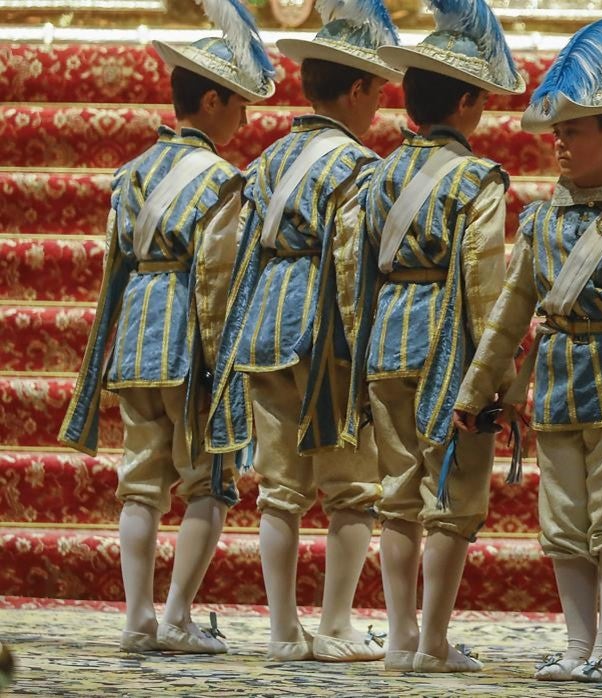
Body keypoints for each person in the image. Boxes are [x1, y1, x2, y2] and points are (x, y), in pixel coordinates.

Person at [453, 17, 602, 684]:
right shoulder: (541, 222)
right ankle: (578, 645)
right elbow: (509, 313)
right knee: (562, 525)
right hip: (556, 387)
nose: (559, 141)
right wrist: (478, 391)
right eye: (558, 130)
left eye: (574, 131)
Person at [58, 0, 275, 655]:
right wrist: (222, 364)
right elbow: (214, 279)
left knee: (140, 483)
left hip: (133, 341)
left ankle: (136, 619)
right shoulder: (221, 180)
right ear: (211, 102)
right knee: (209, 479)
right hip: (187, 341)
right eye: (238, 103)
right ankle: (178, 617)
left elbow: (114, 269)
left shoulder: (131, 175)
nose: (244, 116)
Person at [205, 0, 402, 663]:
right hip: (326, 338)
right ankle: (339, 624)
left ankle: (284, 632)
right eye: (375, 90)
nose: (378, 105)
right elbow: (353, 264)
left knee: (280, 491)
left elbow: (234, 252)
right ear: (353, 89)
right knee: (351, 488)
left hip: (263, 326)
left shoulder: (267, 158)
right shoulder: (358, 166)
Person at [349, 0, 525, 673]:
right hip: (448, 345)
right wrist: (497, 377)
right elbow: (485, 285)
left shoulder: (378, 171)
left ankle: (398, 639)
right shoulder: (476, 177)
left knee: (395, 495)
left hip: (385, 339)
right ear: (469, 102)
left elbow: (356, 266)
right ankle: (433, 642)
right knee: (451, 501)